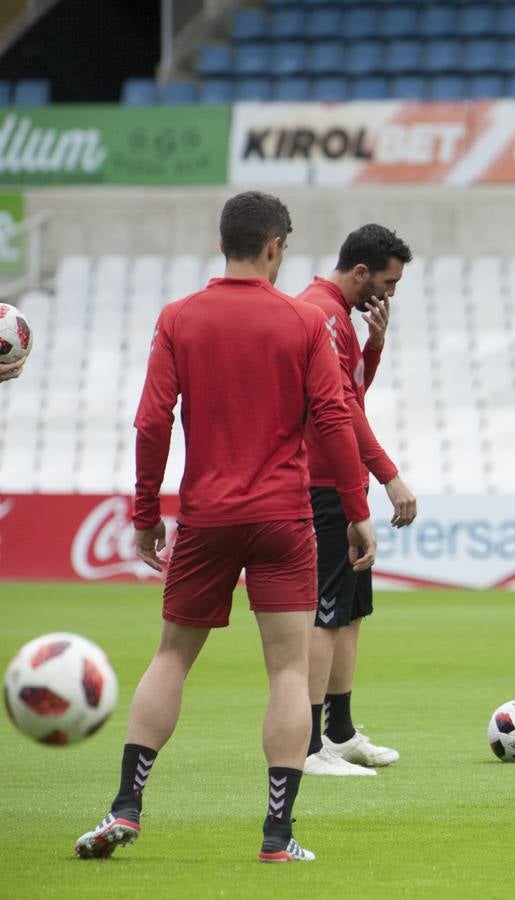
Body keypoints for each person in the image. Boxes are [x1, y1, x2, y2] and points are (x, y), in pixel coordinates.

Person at [74, 191, 378, 864]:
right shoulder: (302, 323)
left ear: (223, 244)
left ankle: (126, 805)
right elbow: (333, 419)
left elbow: (152, 421)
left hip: (207, 516)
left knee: (172, 656)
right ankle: (277, 837)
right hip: (284, 518)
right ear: (274, 247)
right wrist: (356, 509)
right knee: (288, 672)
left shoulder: (179, 318)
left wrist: (146, 513)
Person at [297, 224, 417, 777]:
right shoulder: (320, 315)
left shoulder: (336, 317)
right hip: (322, 485)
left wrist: (376, 343)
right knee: (326, 615)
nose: (391, 293)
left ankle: (340, 733)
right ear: (362, 271)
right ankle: (308, 747)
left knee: (349, 612)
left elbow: (352, 395)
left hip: (341, 482)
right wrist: (389, 476)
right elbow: (342, 411)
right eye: (388, 282)